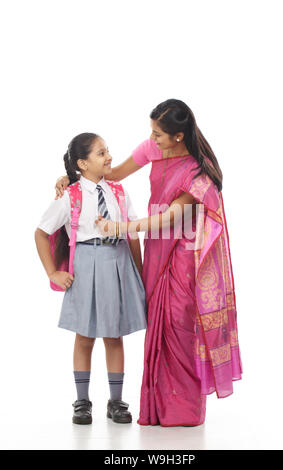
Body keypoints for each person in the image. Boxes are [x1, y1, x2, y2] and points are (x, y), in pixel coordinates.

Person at [56, 99, 242, 427]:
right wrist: (72, 174)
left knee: (181, 325)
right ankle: (157, 408)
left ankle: (183, 411)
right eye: (151, 131)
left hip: (185, 250)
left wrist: (121, 228)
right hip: (156, 245)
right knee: (158, 323)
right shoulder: (152, 148)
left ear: (179, 136)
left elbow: (172, 216)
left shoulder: (199, 170)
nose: (151, 139)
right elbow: (109, 173)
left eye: (158, 134)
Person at [35, 132, 146, 425]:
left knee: (114, 335)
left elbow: (131, 232)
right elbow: (41, 232)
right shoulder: (70, 195)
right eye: (101, 153)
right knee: (84, 336)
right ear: (82, 163)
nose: (109, 156)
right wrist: (52, 272)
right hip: (86, 263)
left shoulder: (119, 192)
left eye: (107, 150)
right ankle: (82, 401)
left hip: (118, 261)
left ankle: (116, 401)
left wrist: (139, 271)